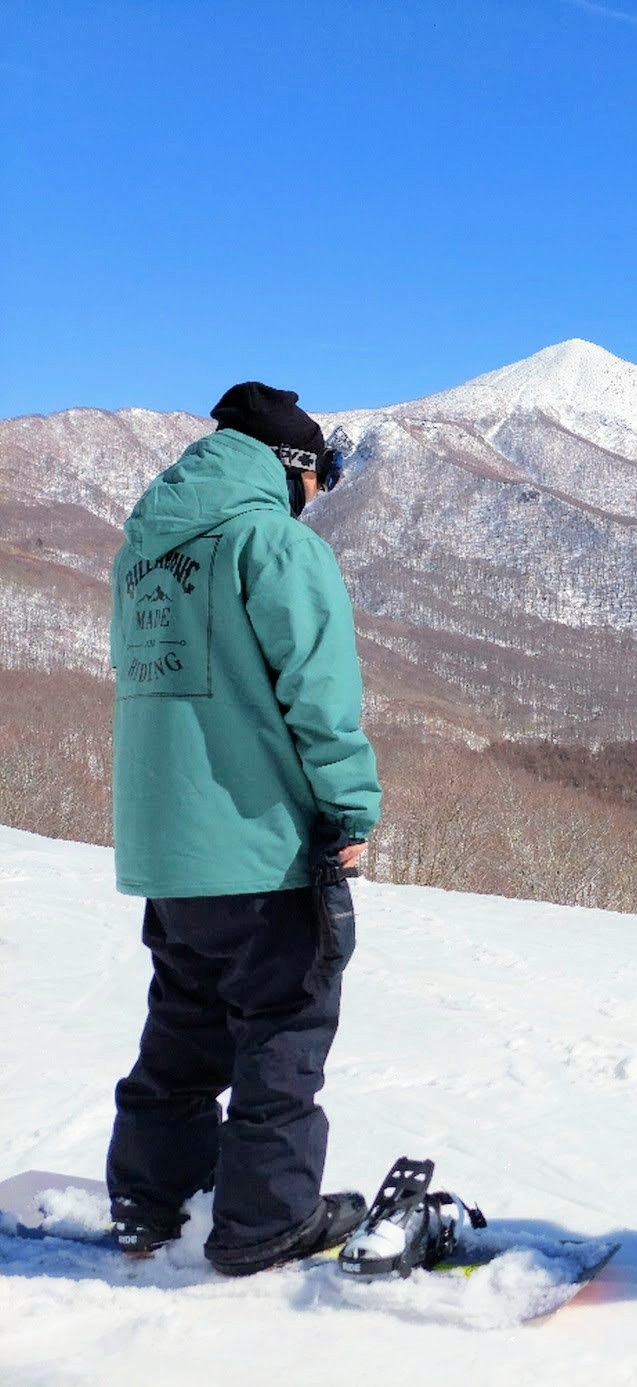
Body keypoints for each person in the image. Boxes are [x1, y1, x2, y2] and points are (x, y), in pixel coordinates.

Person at [106, 382, 381, 1274]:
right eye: (324, 477)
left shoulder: (144, 552)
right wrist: (349, 807)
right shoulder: (273, 544)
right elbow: (321, 697)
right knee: (283, 1031)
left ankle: (152, 1206)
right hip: (260, 846)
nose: (320, 495)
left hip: (169, 849)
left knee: (183, 1032)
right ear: (293, 465)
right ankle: (263, 1225)